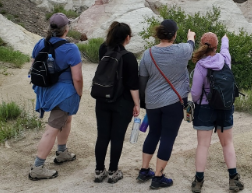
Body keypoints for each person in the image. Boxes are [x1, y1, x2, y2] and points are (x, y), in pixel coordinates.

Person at [136, 19, 195, 189]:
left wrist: (143, 102)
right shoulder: (182, 50)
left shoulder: (148, 53)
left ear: (159, 33)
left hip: (153, 102)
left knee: (153, 133)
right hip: (175, 102)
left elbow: (143, 80)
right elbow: (191, 45)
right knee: (168, 137)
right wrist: (191, 36)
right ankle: (158, 177)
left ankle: (144, 170)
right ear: (175, 35)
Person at [28, 13, 83, 181]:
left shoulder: (40, 43)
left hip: (45, 89)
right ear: (66, 29)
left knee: (66, 119)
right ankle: (37, 167)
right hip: (63, 93)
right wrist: (79, 93)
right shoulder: (71, 48)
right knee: (52, 128)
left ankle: (62, 151)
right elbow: (77, 78)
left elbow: (33, 65)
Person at [189, 32, 244, 192]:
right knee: (227, 144)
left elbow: (195, 93)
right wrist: (225, 38)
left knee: (203, 145)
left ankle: (198, 181)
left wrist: (198, 101)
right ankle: (233, 179)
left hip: (205, 109)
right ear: (216, 46)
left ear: (202, 45)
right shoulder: (225, 59)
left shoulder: (200, 65)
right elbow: (226, 48)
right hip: (225, 108)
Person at [93, 22, 140, 184]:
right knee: (117, 137)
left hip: (102, 98)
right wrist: (137, 104)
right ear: (127, 38)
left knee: (102, 135)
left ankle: (99, 171)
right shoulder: (129, 57)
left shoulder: (103, 49)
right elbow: (133, 85)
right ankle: (113, 172)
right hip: (122, 102)